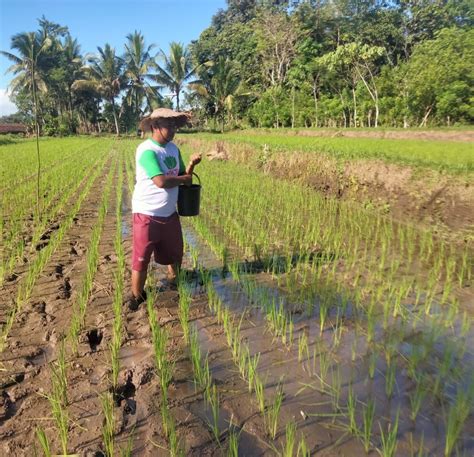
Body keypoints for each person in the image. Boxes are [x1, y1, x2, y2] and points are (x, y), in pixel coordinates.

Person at [128, 108, 201, 310]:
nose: (172, 129)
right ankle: (136, 296)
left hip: (169, 213)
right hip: (147, 213)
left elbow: (183, 177)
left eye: (174, 125)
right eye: (168, 125)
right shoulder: (146, 150)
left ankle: (173, 284)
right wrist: (183, 178)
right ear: (154, 127)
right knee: (142, 257)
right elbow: (160, 181)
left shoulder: (173, 150)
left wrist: (192, 165)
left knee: (176, 254)